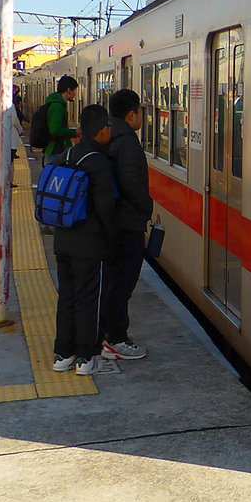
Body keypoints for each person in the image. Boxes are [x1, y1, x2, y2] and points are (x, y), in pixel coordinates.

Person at [51, 104, 117, 376]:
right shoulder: (98, 163)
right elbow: (105, 209)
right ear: (102, 131)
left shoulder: (65, 155)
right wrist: (113, 242)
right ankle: (86, 358)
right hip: (89, 246)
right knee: (89, 298)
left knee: (66, 297)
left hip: (63, 241)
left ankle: (63, 354)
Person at [100, 88, 153, 361]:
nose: (142, 117)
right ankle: (116, 340)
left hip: (112, 223)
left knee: (112, 281)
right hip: (127, 224)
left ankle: (109, 334)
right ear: (132, 115)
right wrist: (147, 209)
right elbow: (133, 185)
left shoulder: (109, 136)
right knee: (123, 283)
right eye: (141, 112)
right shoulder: (129, 142)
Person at [43, 74, 78, 161]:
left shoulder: (56, 104)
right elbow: (55, 130)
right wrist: (74, 132)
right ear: (69, 90)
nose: (75, 94)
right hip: (56, 151)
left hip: (55, 150)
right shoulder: (58, 107)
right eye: (74, 91)